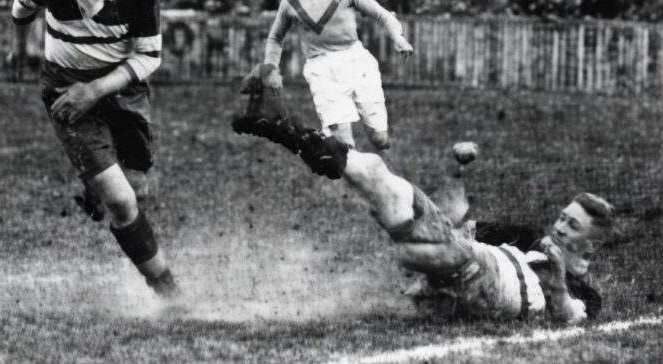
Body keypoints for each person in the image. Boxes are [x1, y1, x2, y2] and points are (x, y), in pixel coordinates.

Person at [233, 105, 612, 324]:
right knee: (380, 175)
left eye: (572, 225)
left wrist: (559, 274)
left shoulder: (587, 295)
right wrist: (456, 176)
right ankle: (289, 130)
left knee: (456, 253)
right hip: (467, 256)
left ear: (590, 248)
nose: (559, 226)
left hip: (495, 282)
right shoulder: (526, 236)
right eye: (563, 217)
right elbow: (457, 219)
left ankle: (427, 264)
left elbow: (569, 317)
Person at [8, 0, 178, 298]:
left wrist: (97, 90)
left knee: (138, 191)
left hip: (121, 89)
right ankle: (168, 291)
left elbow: (148, 57)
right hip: (65, 89)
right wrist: (19, 49)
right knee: (121, 202)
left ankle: (93, 188)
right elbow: (22, 9)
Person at [262, 0, 414, 149]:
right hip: (321, 68)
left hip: (356, 61)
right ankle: (360, 173)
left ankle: (379, 169)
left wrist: (398, 37)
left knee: (380, 140)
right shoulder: (290, 2)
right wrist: (270, 69)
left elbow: (383, 15)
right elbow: (275, 38)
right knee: (343, 146)